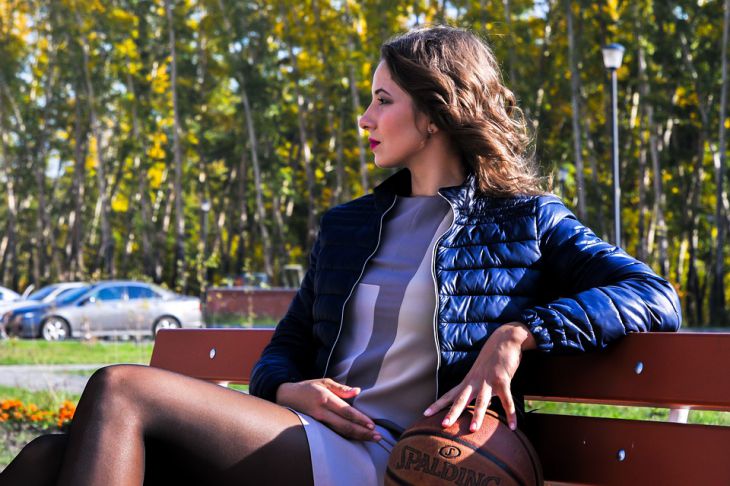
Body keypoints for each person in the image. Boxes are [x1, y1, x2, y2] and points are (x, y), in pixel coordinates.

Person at [0, 25, 680, 486]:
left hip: (402, 457)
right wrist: (285, 388)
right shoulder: (350, 227)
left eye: (383, 100)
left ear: (435, 113)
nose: (365, 118)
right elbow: (286, 347)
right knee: (46, 458)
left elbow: (653, 295)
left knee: (122, 388)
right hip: (311, 433)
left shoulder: (524, 220)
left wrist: (515, 335)